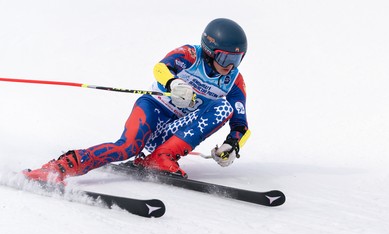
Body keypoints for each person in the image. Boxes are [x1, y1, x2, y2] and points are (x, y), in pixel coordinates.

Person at [24, 18, 251, 185]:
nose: (230, 66)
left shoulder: (234, 80)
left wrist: (233, 143)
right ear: (210, 51)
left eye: (237, 59)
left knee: (223, 107)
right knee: (127, 147)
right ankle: (58, 167)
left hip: (174, 132)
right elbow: (160, 68)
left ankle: (161, 157)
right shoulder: (191, 55)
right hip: (154, 109)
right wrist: (172, 83)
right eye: (225, 58)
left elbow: (240, 121)